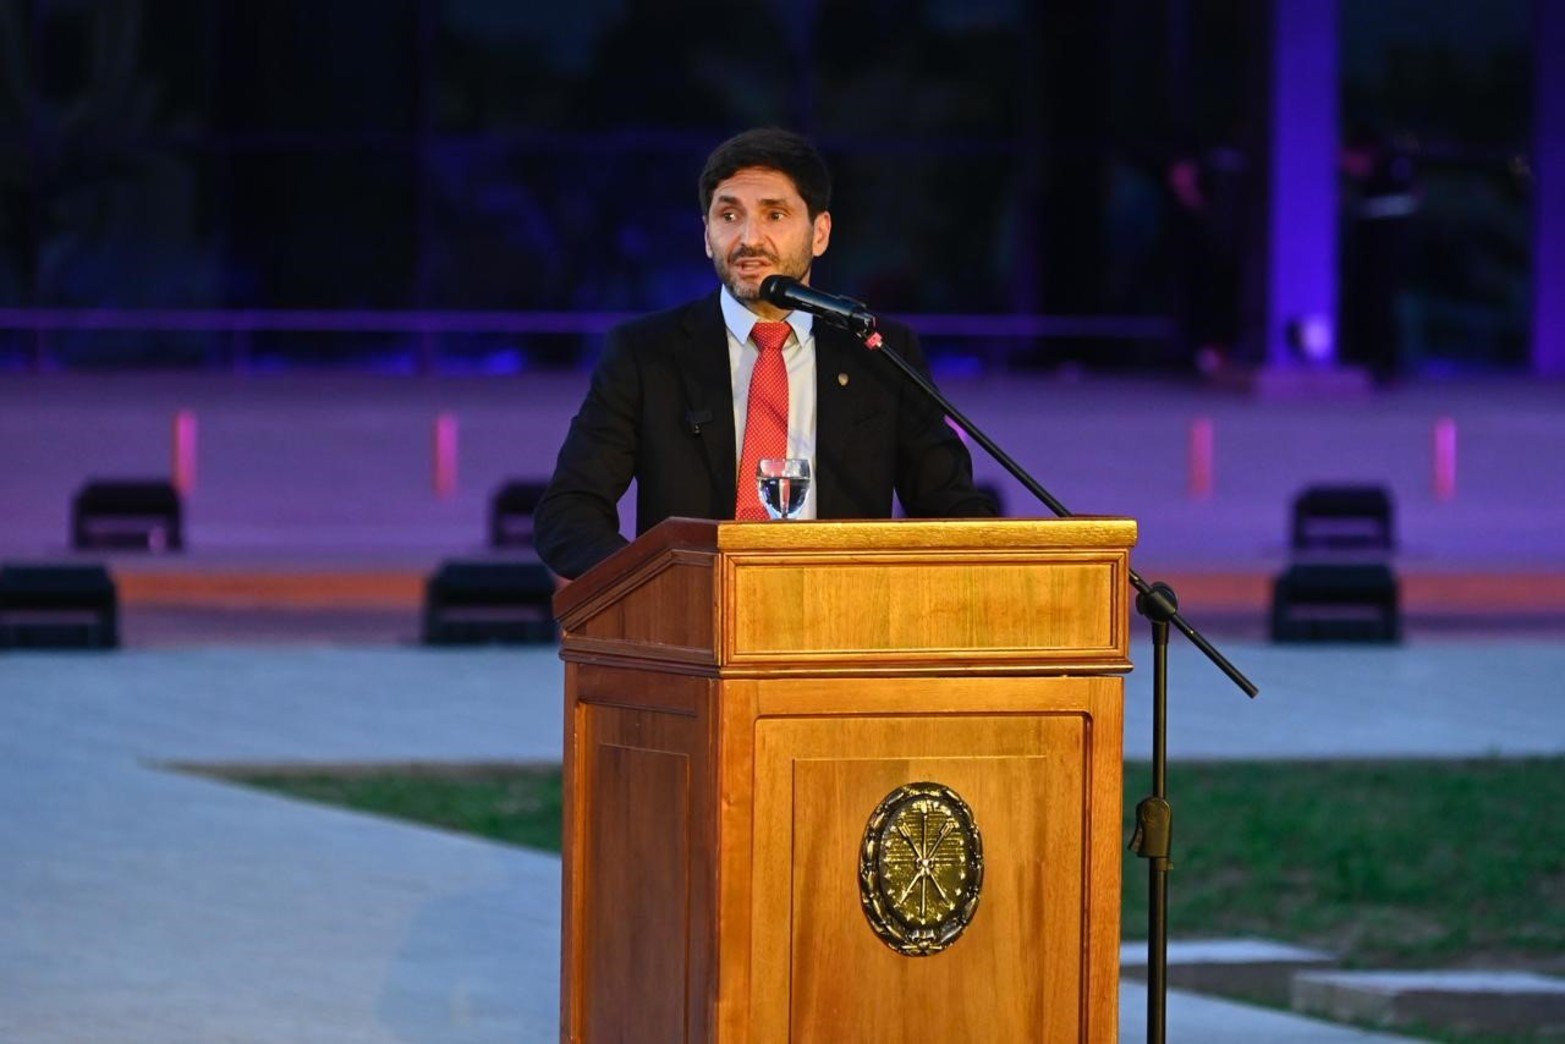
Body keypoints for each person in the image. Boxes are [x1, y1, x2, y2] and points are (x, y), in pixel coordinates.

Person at [534, 127, 995, 580]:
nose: (750, 239)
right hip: (693, 629)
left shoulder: (875, 350)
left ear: (820, 233)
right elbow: (569, 513)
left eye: (775, 215)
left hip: (841, 626)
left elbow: (951, 510)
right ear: (706, 234)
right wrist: (649, 588)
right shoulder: (647, 354)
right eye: (729, 216)